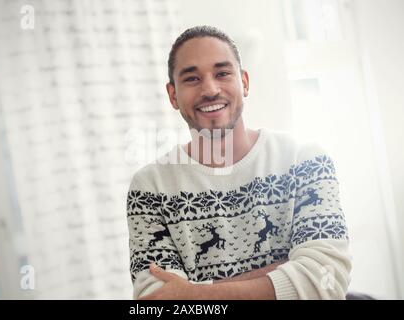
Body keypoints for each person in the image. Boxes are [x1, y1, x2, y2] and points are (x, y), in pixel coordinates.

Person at [126, 25, 351, 299]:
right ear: (173, 95)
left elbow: (325, 281)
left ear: (244, 82)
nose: (210, 89)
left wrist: (194, 292)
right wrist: (284, 272)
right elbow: (158, 301)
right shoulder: (150, 187)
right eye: (192, 79)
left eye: (222, 73)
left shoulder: (305, 160)